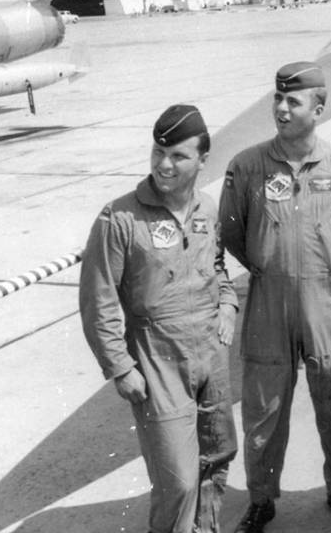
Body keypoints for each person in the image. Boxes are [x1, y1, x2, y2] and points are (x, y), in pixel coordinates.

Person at [219, 61, 331, 533]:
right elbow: (232, 232)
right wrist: (269, 265)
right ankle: (261, 500)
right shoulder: (246, 166)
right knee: (263, 410)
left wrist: (324, 263)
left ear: (318, 107)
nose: (281, 109)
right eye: (278, 99)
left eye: (293, 101)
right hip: (269, 300)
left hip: (327, 300)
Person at [79, 104, 239, 533]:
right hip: (157, 359)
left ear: (203, 160)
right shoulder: (120, 218)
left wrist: (228, 305)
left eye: (178, 156)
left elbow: (218, 268)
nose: (164, 165)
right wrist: (119, 366)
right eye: (157, 153)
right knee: (179, 481)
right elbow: (99, 299)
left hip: (210, 353)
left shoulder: (206, 209)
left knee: (218, 455)